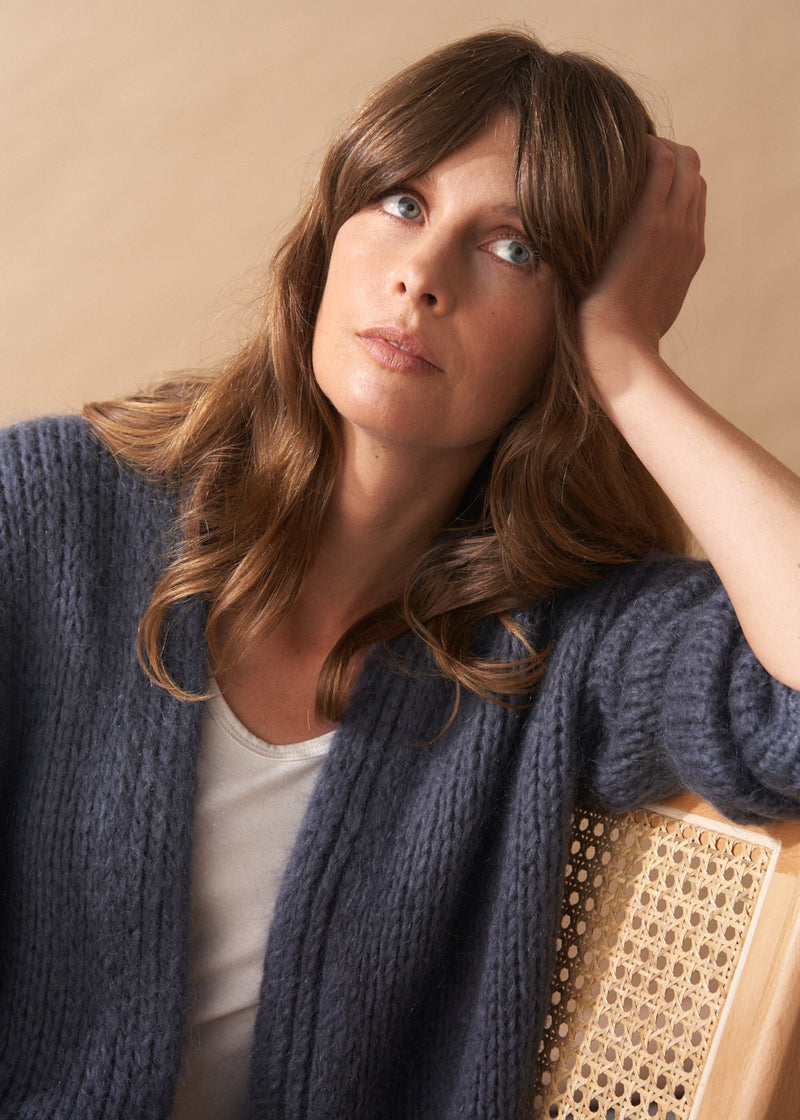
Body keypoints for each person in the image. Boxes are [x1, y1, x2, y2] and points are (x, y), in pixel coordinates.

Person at [1, 27, 798, 1120]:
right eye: (401, 204)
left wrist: (626, 362)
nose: (419, 276)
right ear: (331, 232)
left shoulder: (559, 647)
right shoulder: (49, 512)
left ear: (563, 327)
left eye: (512, 248)